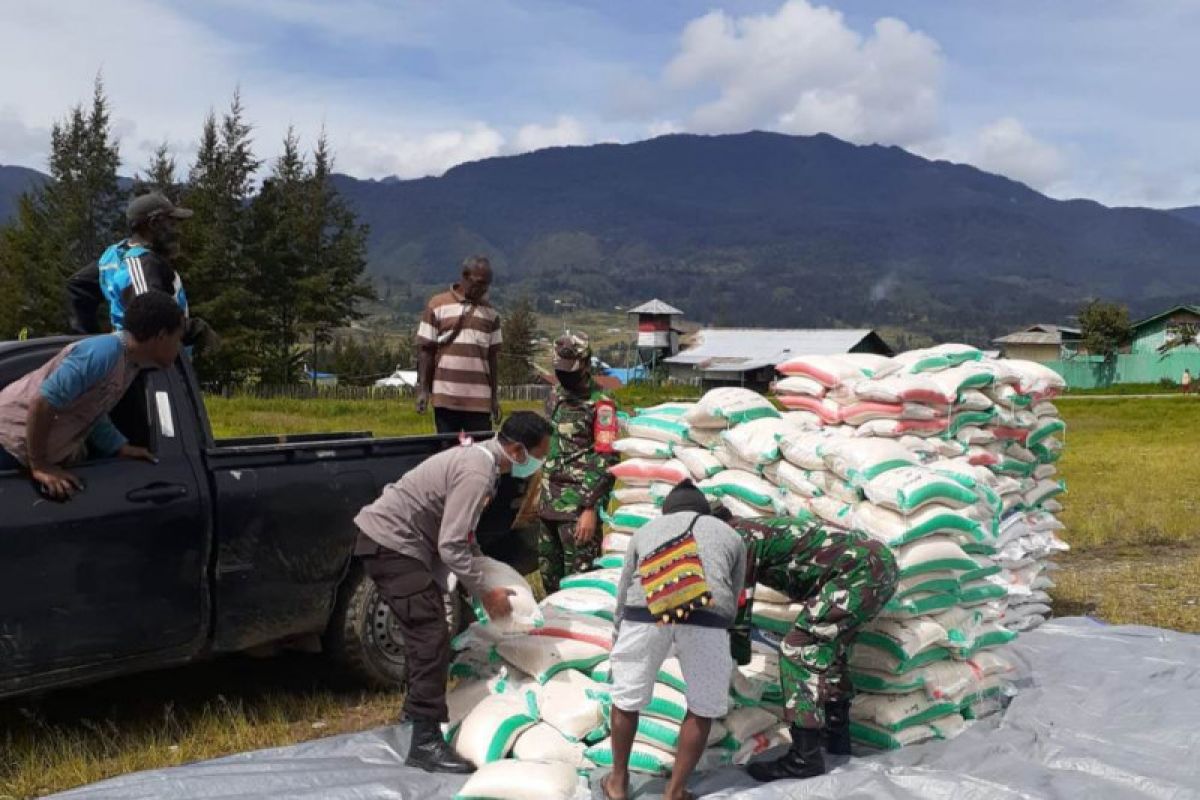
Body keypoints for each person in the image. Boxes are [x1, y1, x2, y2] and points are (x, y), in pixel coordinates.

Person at [352, 411, 553, 774]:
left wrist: (483, 575)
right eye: (540, 454)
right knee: (430, 635)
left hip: (393, 543)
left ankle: (415, 715)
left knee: (423, 632)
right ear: (519, 451)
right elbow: (451, 545)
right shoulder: (479, 473)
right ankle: (425, 742)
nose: (541, 463)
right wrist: (485, 592)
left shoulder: (482, 465)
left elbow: (463, 537)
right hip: (391, 544)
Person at [602, 481, 745, 800]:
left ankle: (618, 781)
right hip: (708, 618)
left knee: (626, 698)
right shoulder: (731, 535)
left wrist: (617, 636)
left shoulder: (645, 531)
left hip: (645, 612)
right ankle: (675, 791)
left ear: (667, 510)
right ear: (704, 510)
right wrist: (722, 629)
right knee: (703, 707)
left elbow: (624, 589)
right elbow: (735, 594)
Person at [727, 515, 897, 781]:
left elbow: (739, 601)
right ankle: (836, 740)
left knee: (798, 650)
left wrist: (734, 656)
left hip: (858, 573)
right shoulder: (758, 526)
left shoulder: (739, 538)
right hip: (878, 567)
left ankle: (804, 758)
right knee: (829, 650)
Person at [0, 291, 186, 499]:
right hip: (8, 441)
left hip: (22, 448)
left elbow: (90, 409)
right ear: (161, 336)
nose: (179, 348)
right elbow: (43, 402)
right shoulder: (104, 352)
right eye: (177, 338)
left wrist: (119, 448)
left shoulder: (130, 364)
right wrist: (41, 465)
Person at [67, 192, 216, 353]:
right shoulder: (144, 262)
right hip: (154, 364)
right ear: (153, 224)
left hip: (133, 357)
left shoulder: (114, 255)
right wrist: (197, 330)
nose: (178, 232)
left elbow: (77, 285)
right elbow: (151, 315)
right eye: (172, 224)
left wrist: (87, 340)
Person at [537, 332, 620, 594]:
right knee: (550, 579)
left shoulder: (601, 405)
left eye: (569, 370)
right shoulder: (554, 395)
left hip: (578, 508)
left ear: (585, 364)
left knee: (580, 585)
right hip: (548, 504)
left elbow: (607, 457)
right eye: (559, 369)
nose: (563, 375)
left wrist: (589, 507)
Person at [415, 255, 502, 434]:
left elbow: (492, 358)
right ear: (464, 276)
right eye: (479, 283)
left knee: (479, 453)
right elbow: (426, 351)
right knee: (448, 452)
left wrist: (493, 398)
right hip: (446, 398)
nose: (483, 289)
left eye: (487, 285)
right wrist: (423, 390)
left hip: (479, 401)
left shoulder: (491, 314)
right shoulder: (437, 305)